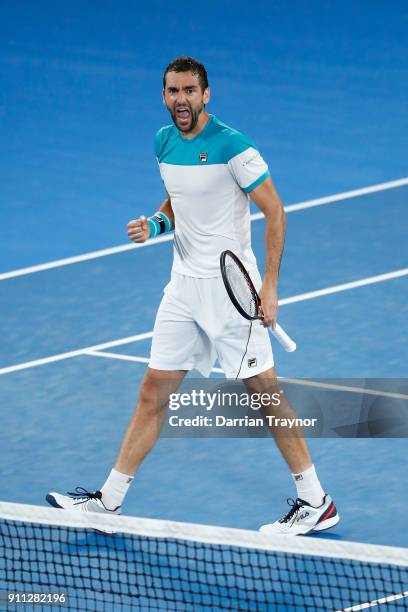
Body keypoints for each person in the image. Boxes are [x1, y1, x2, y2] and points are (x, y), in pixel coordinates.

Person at [46, 56, 339, 536]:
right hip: (182, 289)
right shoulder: (162, 143)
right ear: (163, 96)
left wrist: (269, 285)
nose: (180, 99)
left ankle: (316, 501)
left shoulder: (234, 147)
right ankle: (109, 501)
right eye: (172, 91)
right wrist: (156, 223)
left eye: (189, 91)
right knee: (152, 391)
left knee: (265, 394)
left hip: (231, 293)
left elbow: (276, 212)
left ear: (206, 95)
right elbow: (178, 203)